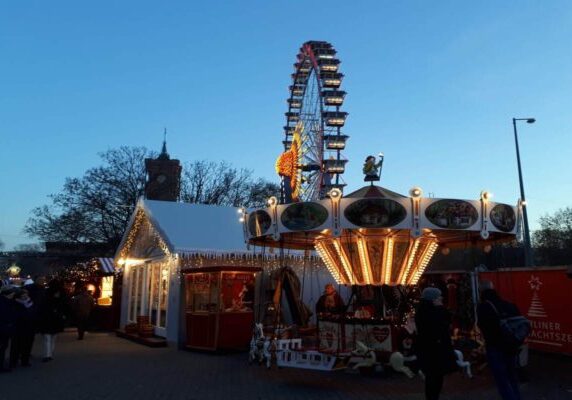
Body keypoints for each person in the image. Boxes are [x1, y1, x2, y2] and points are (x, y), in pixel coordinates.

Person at [477, 281, 522, 400]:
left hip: (495, 346)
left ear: (481, 291)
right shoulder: (508, 304)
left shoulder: (484, 307)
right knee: (512, 377)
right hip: (511, 346)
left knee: (502, 380)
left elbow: (482, 325)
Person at [415, 287, 457, 400]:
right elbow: (440, 326)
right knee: (434, 378)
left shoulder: (425, 312)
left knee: (435, 377)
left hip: (432, 350)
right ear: (433, 299)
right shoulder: (434, 312)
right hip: (434, 351)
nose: (441, 298)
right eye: (439, 297)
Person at [38, 279, 68, 362]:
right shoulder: (62, 293)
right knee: (53, 337)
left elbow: (41, 306)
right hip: (56, 318)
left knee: (47, 338)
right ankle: (50, 353)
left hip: (47, 318)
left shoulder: (46, 293)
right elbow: (65, 305)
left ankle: (47, 354)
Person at [9, 288, 36, 368]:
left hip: (30, 327)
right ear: (19, 295)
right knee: (16, 345)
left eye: (26, 294)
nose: (25, 296)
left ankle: (25, 360)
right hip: (19, 327)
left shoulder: (30, 302)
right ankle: (13, 361)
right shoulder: (15, 303)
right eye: (23, 294)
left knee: (27, 344)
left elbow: (34, 312)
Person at [0, 285, 17, 372]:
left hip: (5, 327)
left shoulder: (6, 301)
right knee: (2, 347)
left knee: (3, 347)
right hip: (3, 328)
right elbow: (5, 315)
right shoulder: (5, 302)